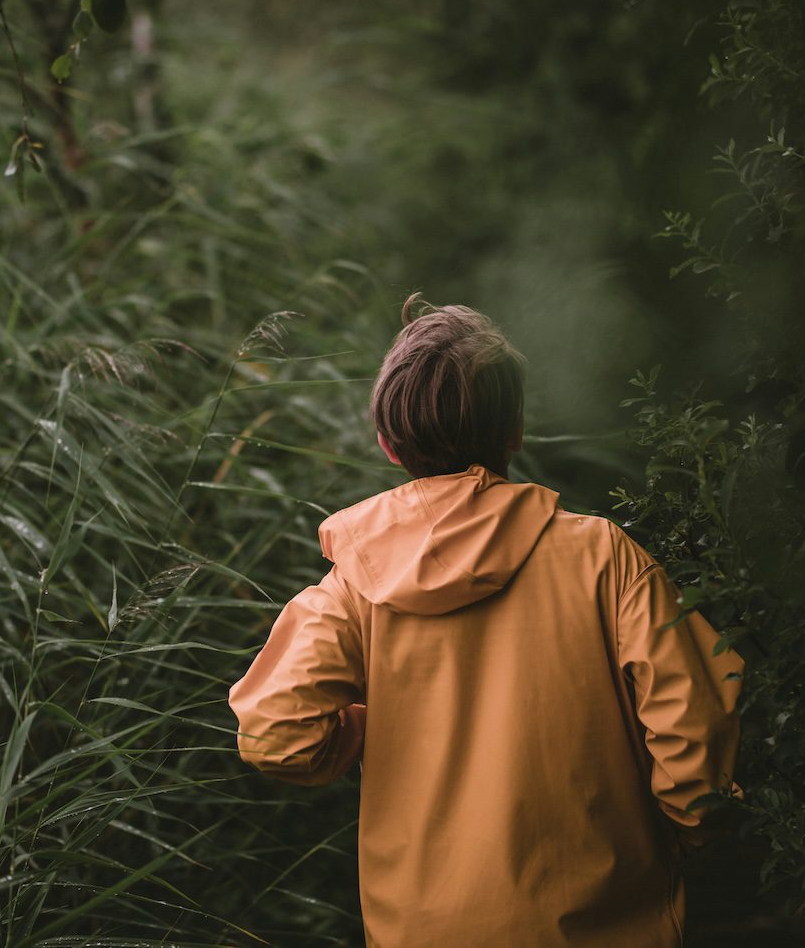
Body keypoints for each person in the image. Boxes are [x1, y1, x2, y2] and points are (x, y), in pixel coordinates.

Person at [228, 295, 744, 947]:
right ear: (514, 431)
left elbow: (275, 735)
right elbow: (693, 734)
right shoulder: (602, 556)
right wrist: (696, 829)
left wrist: (365, 727)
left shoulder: (356, 584)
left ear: (388, 444)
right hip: (607, 925)